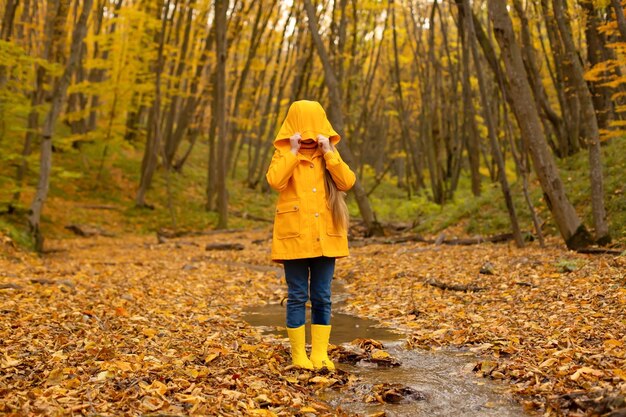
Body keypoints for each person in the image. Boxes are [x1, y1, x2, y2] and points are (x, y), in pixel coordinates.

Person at [266, 100, 356, 370]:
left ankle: (319, 353)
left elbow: (347, 182)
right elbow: (275, 181)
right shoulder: (284, 154)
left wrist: (329, 152)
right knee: (296, 295)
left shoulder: (329, 155)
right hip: (294, 237)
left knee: (322, 296)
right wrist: (292, 152)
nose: (307, 140)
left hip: (325, 238)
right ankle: (298, 356)